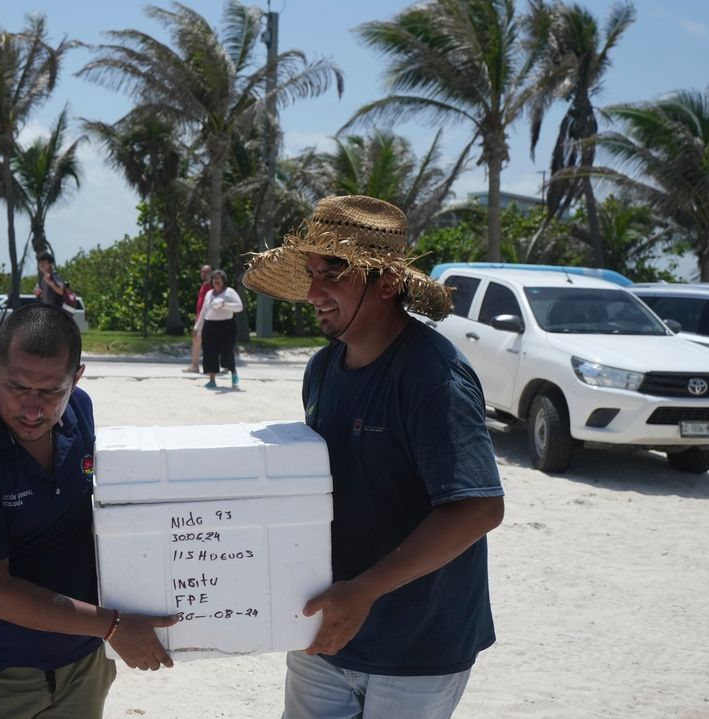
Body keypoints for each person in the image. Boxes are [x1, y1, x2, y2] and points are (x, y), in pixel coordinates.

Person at [242, 195, 505, 719]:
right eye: (312, 274)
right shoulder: (322, 368)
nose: (314, 292)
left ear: (386, 283)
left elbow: (478, 508)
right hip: (326, 628)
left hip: (419, 642)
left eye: (333, 274)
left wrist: (363, 592)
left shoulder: (432, 376)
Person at [0, 304, 177, 718]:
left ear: (76, 377)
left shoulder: (80, 410)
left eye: (50, 392)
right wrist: (113, 626)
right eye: (17, 387)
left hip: (81, 669)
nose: (31, 408)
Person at [195, 269, 244, 389]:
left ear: (223, 281)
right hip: (210, 325)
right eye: (214, 279)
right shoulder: (209, 293)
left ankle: (233, 373)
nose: (216, 281)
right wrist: (198, 327)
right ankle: (212, 380)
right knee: (209, 353)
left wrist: (224, 304)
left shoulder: (230, 292)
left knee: (227, 352)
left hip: (227, 325)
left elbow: (239, 307)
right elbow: (203, 311)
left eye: (219, 279)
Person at [183, 264, 212, 374]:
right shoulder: (204, 285)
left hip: (207, 319)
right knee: (196, 341)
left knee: (203, 341)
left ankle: (198, 366)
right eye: (202, 272)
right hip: (200, 318)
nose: (204, 274)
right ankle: (195, 365)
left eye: (207, 272)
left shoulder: (212, 286)